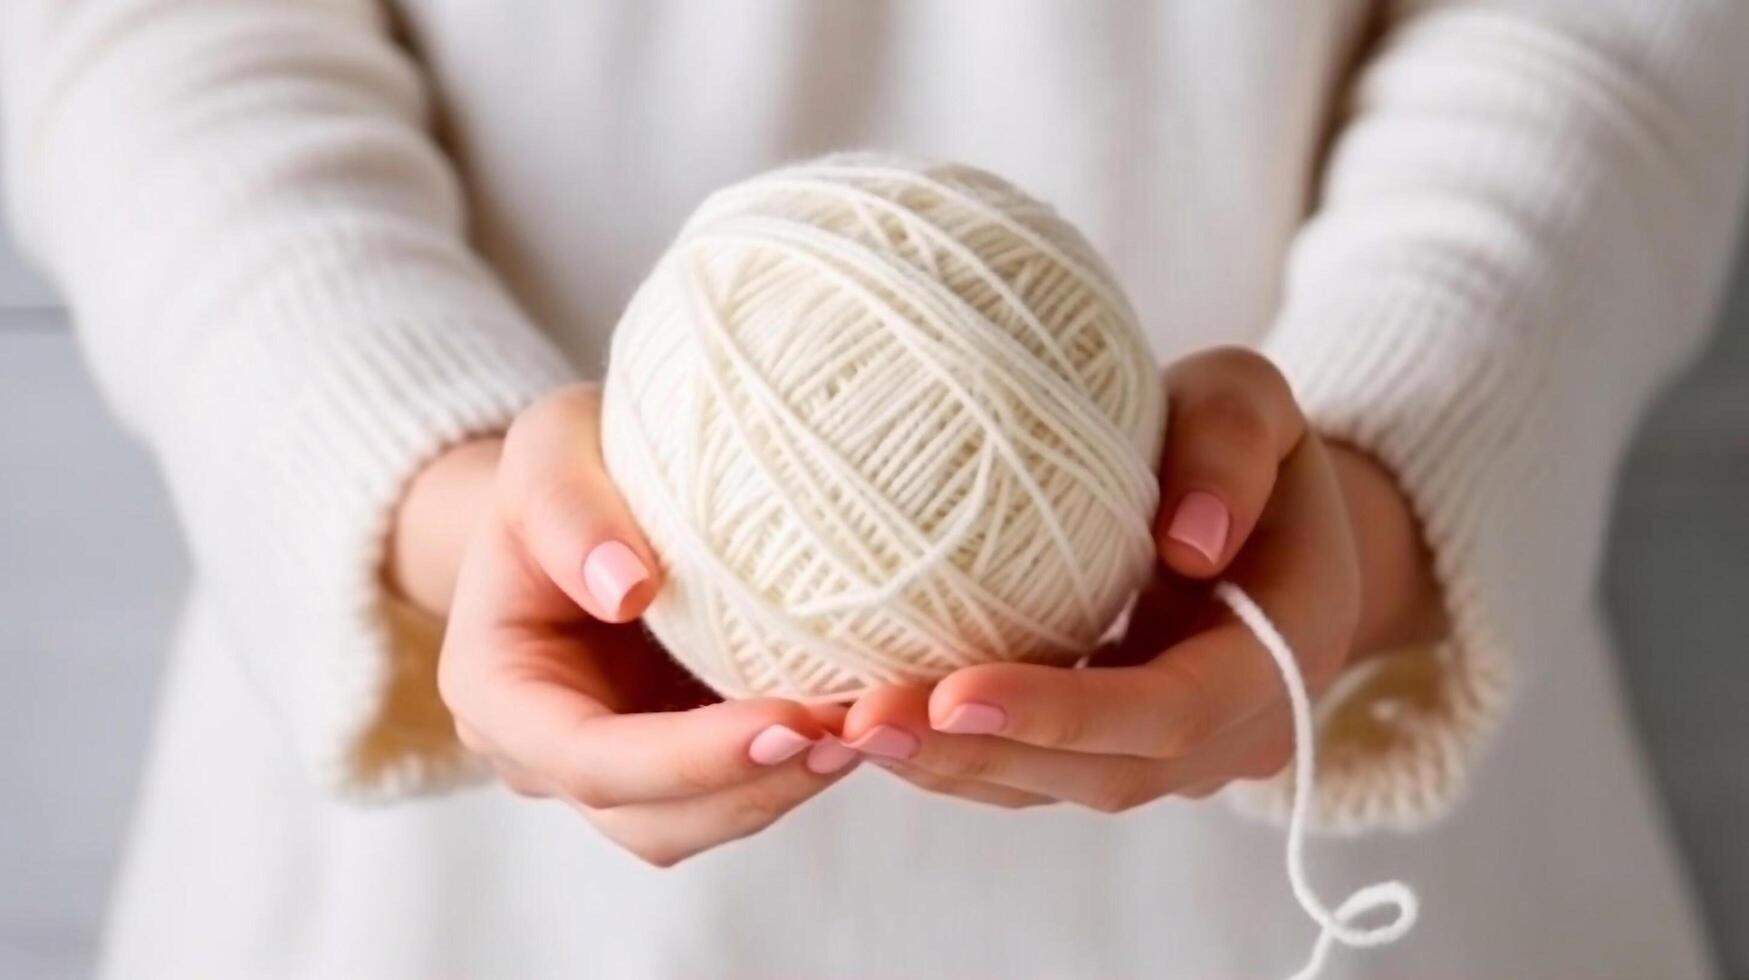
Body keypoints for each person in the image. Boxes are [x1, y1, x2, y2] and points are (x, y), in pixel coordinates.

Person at [4, 1, 1745, 976]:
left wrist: (1401, 455)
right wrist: (428, 482)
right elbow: (141, 36)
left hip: (1322, 790)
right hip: (462, 899)